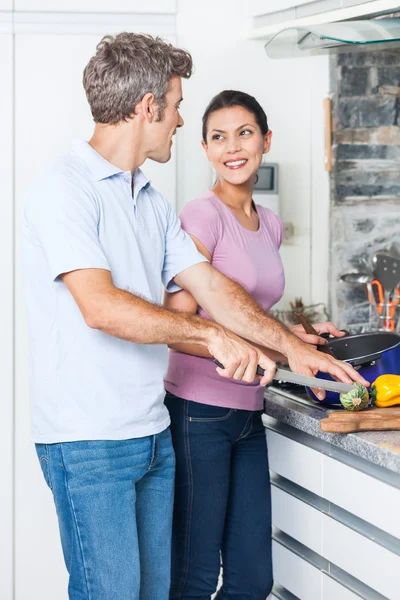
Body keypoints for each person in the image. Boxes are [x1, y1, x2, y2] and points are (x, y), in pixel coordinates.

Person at [22, 34, 367, 600]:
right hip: (89, 443)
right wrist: (210, 335)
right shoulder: (66, 188)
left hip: (152, 431)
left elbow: (214, 287)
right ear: (148, 106)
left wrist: (295, 349)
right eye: (178, 105)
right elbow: (100, 306)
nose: (181, 121)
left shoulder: (148, 200)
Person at [164, 90, 346, 599]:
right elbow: (180, 323)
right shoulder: (200, 216)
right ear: (204, 149)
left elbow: (249, 312)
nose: (233, 147)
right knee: (194, 579)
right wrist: (260, 351)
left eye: (244, 133)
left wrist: (296, 338)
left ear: (266, 140)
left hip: (248, 411)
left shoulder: (267, 222)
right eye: (218, 137)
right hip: (198, 414)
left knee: (251, 580)